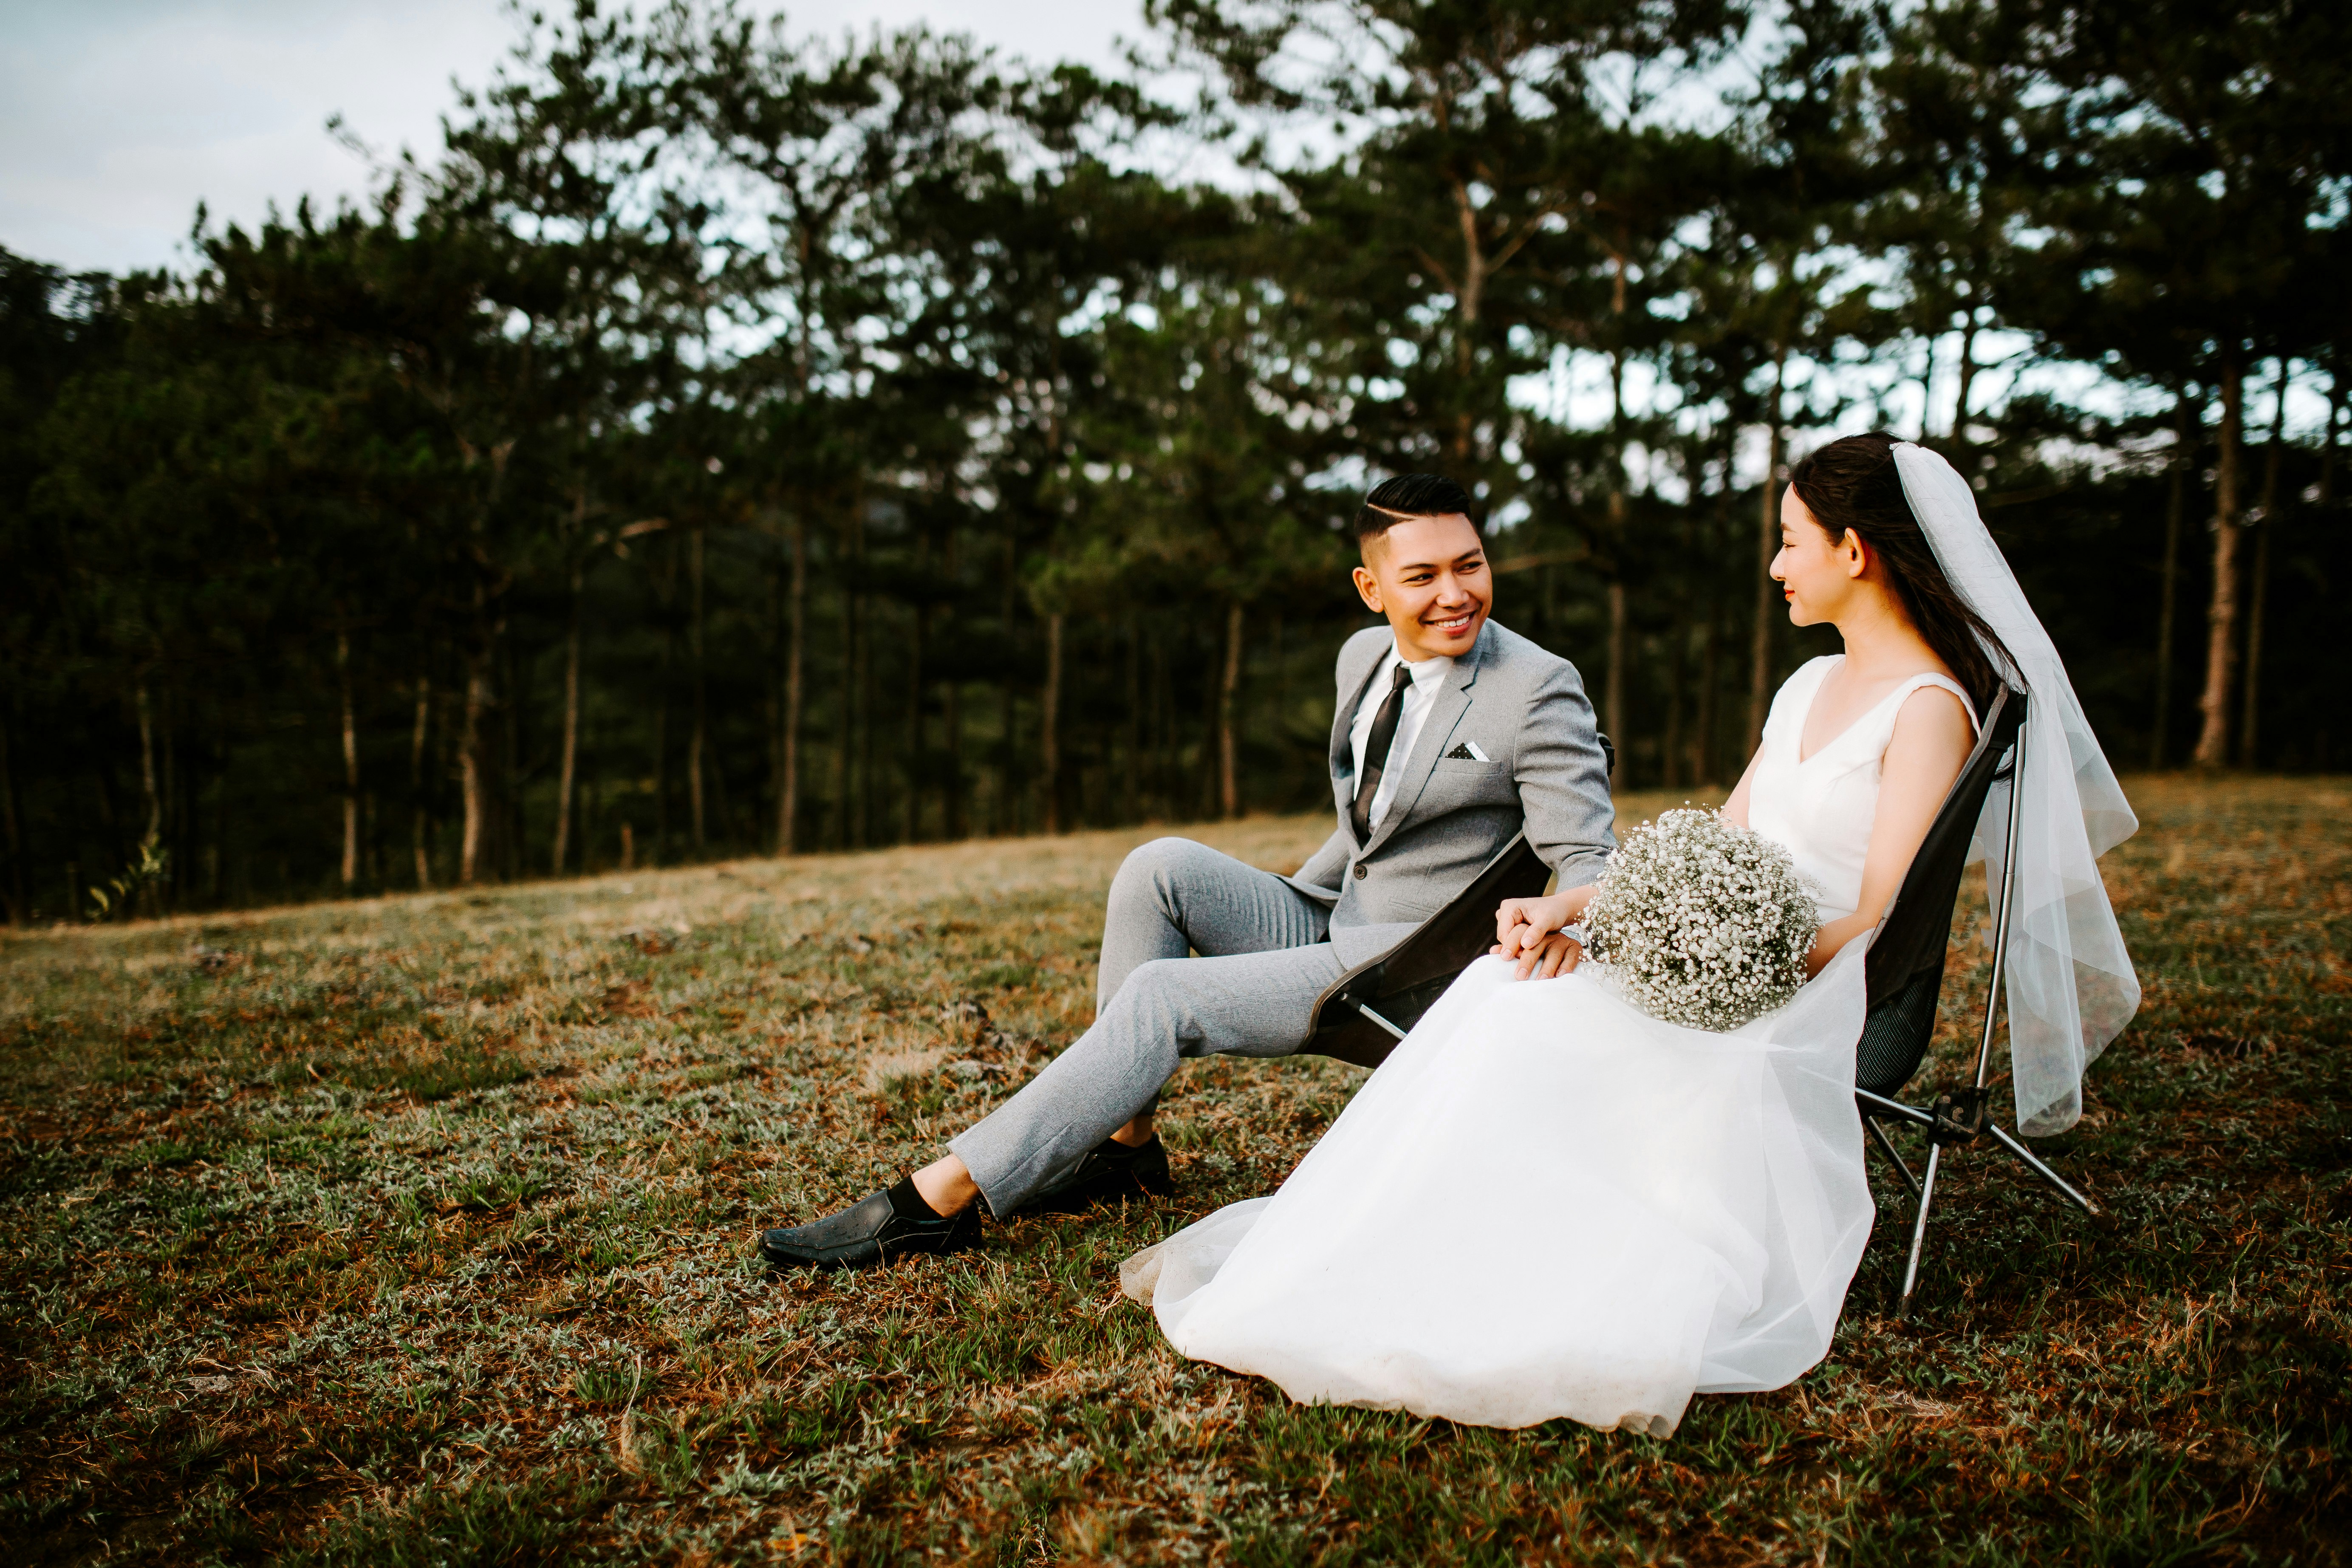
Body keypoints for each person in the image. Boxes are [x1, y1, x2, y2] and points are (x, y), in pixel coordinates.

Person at [1120, 435, 2141, 1435]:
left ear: (1852, 552)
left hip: (1818, 992)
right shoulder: (1802, 687)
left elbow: (1877, 923)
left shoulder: (1926, 710)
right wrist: (1580, 911)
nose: (1776, 564)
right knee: (1507, 982)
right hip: (1716, 953)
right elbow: (1710, 846)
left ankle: (1517, 1268)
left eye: (1789, 540)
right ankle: (1413, 1242)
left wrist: (1701, 958)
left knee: (1521, 1018)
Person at [759, 473, 1617, 1270]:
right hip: (1336, 914)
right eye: (1422, 575)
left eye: (1469, 566)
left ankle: (937, 1197)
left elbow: (1587, 856)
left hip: (1412, 961)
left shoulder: (1537, 689)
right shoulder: (1360, 658)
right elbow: (1372, 814)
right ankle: (1127, 1150)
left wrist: (1568, 918)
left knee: (1161, 1000)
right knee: (1156, 867)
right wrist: (1299, 897)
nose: (1453, 594)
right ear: (1372, 589)